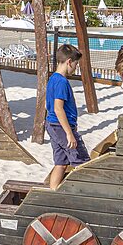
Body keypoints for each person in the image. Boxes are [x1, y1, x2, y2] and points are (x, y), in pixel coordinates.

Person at [45, 44, 91, 189]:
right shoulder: (62, 82)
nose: (75, 68)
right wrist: (69, 133)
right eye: (76, 64)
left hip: (52, 125)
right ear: (69, 62)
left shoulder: (52, 79)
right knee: (82, 161)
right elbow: (59, 109)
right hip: (60, 127)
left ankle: (53, 192)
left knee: (61, 163)